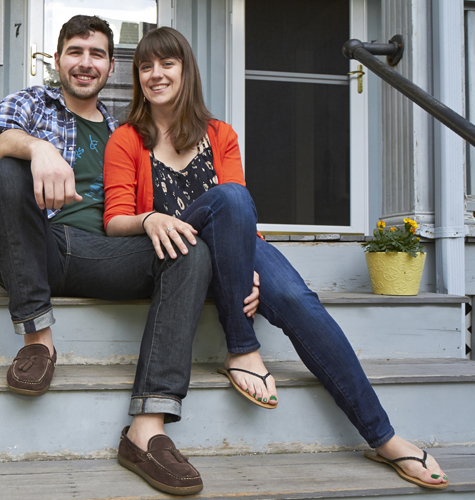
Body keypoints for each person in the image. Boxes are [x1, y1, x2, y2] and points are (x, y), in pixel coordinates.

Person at [103, 26, 449, 493]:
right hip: (178, 258)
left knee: (296, 298)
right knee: (229, 196)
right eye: (145, 66)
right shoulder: (126, 139)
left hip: (233, 245)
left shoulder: (220, 134)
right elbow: (115, 220)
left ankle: (385, 438)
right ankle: (242, 346)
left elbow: (239, 215)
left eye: (167, 63)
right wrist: (150, 219)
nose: (155, 74)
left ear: (186, 71)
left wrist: (243, 267)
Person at [0, 16, 258, 496]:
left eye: (97, 54)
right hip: (36, 246)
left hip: (102, 254)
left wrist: (237, 265)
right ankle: (38, 340)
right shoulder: (32, 102)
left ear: (111, 67)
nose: (85, 63)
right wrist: (40, 149)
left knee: (188, 251)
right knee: (6, 172)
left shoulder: (123, 130)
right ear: (57, 59)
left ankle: (147, 429)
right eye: (75, 51)